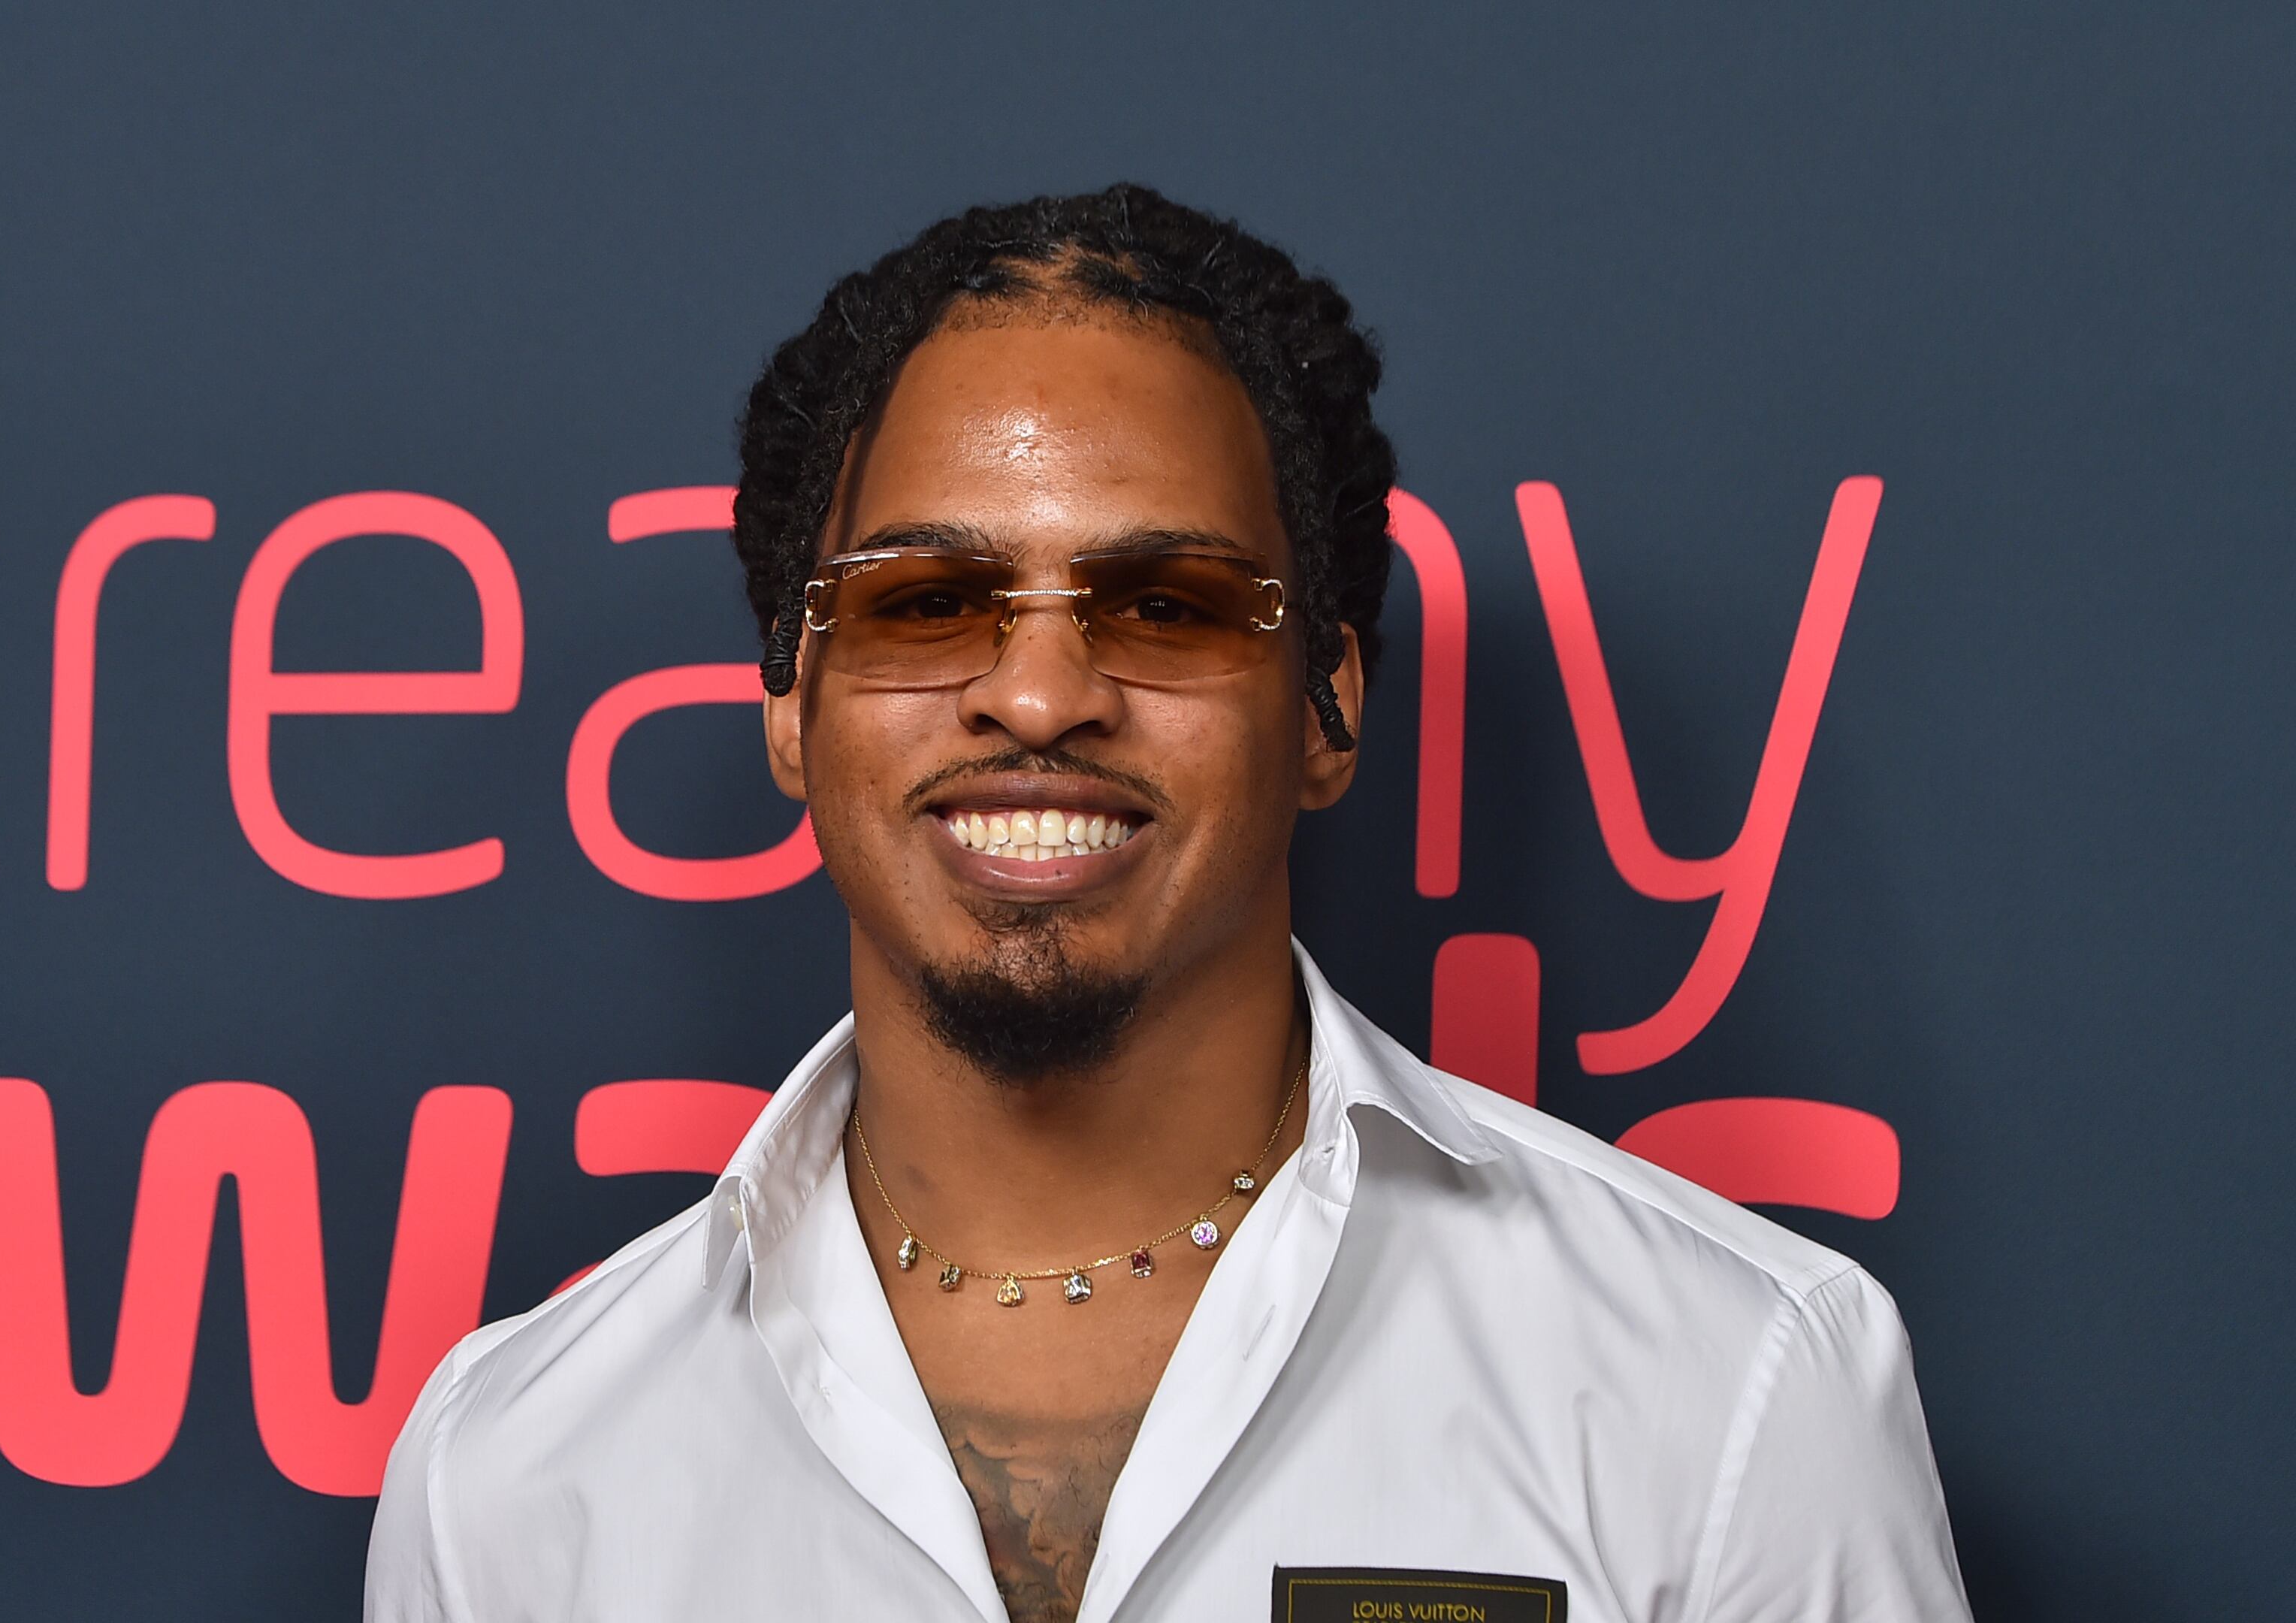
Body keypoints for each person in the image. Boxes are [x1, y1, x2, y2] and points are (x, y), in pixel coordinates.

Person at [364, 185, 1969, 1623]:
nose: (1043, 692)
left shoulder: (1735, 1383)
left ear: (1327, 707)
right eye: (929, 600)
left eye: (1168, 604)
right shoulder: (511, 1471)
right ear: (793, 703)